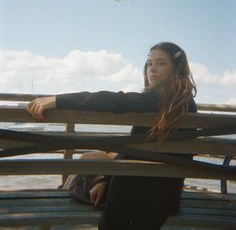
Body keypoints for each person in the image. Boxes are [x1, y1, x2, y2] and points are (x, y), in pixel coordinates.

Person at [27, 42, 197, 230]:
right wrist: (105, 179)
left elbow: (116, 100)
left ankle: (65, 196)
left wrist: (58, 100)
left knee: (86, 162)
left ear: (176, 69)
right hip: (166, 195)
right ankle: (74, 189)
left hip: (138, 194)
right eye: (149, 63)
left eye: (161, 63)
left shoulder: (159, 99)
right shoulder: (183, 102)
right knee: (90, 157)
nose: (152, 69)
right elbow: (138, 153)